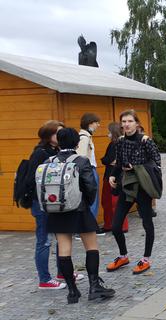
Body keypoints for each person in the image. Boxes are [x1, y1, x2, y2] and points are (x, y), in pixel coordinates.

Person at [46, 128, 115, 304]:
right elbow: (90, 187)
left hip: (57, 212)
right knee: (91, 247)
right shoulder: (81, 160)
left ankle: (72, 291)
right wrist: (87, 203)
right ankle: (94, 287)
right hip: (79, 209)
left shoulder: (50, 161)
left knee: (64, 249)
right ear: (77, 143)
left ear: (58, 142)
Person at [106, 110, 162, 275]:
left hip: (143, 187)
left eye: (130, 121)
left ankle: (146, 259)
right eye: (124, 121)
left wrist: (137, 168)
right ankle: (123, 256)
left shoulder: (146, 141)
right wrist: (112, 176)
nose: (126, 124)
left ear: (137, 124)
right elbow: (119, 163)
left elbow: (156, 163)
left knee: (147, 223)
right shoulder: (121, 141)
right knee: (116, 226)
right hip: (127, 186)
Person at [27, 121, 77, 289]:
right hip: (42, 204)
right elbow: (32, 181)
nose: (61, 136)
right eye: (58, 133)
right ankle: (44, 279)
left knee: (60, 238)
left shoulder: (56, 151)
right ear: (49, 136)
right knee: (44, 241)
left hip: (54, 204)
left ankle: (62, 272)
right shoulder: (40, 154)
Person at [76, 113, 105, 236]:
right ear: (90, 123)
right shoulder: (84, 137)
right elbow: (81, 156)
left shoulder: (85, 136)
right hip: (88, 170)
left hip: (89, 170)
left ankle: (88, 226)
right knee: (92, 199)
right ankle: (89, 228)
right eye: (96, 122)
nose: (98, 125)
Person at [100, 122, 128, 233]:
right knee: (112, 202)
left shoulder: (114, 144)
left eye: (109, 132)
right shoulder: (121, 143)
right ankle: (113, 225)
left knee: (112, 202)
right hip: (115, 175)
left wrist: (105, 160)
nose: (108, 134)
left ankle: (117, 226)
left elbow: (108, 160)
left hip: (112, 176)